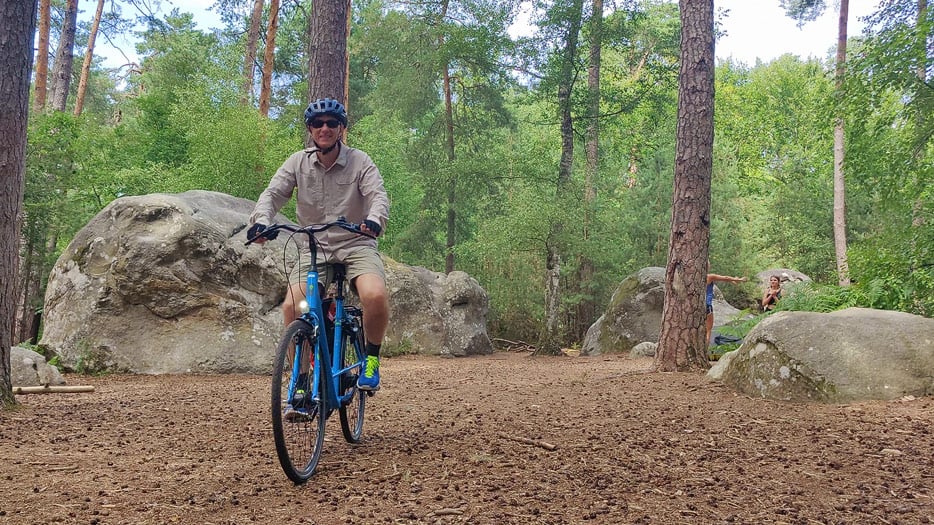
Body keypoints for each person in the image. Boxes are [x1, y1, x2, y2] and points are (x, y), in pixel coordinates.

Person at [247, 97, 390, 391]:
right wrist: (261, 221)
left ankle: (371, 360)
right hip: (315, 250)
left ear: (341, 129)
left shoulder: (360, 161)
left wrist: (375, 220)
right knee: (293, 306)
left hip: (356, 244)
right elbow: (272, 194)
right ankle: (301, 378)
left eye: (331, 123)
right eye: (317, 123)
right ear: (310, 129)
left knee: (374, 296)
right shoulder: (297, 162)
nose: (324, 128)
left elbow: (377, 195)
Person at [706, 265, 747, 347]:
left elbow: (725, 278)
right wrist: (738, 279)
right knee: (708, 329)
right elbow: (725, 277)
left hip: (696, 307)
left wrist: (732, 280)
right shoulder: (709, 277)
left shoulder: (693, 278)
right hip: (706, 304)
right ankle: (704, 351)